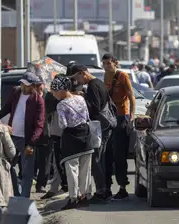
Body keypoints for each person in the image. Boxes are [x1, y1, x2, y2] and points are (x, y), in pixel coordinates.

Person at [0, 71, 45, 198]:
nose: (24, 87)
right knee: (7, 165)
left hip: (27, 140)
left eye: (27, 85)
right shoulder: (16, 92)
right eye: (23, 84)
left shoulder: (38, 100)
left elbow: (39, 124)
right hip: (12, 136)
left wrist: (31, 143)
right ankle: (15, 193)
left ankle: (24, 199)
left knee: (27, 172)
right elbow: (7, 108)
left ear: (33, 86)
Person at [70, 65, 113, 203]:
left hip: (100, 127)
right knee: (100, 158)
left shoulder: (94, 86)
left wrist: (81, 100)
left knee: (97, 159)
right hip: (102, 127)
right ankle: (105, 190)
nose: (77, 81)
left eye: (76, 78)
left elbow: (94, 107)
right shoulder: (97, 83)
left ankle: (102, 192)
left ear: (83, 74)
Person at [51, 76, 93, 210]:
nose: (53, 94)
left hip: (71, 139)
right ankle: (84, 196)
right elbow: (86, 116)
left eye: (54, 91)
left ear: (61, 90)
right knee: (85, 169)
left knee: (72, 170)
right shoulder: (81, 98)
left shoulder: (61, 105)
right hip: (86, 136)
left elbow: (63, 124)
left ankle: (73, 198)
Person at [103, 53, 135, 200]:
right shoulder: (105, 77)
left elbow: (131, 96)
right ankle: (107, 187)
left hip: (122, 116)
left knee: (119, 154)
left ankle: (122, 187)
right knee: (107, 153)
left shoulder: (122, 76)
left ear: (115, 63)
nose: (106, 66)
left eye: (109, 63)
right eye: (104, 63)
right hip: (109, 117)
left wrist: (131, 118)